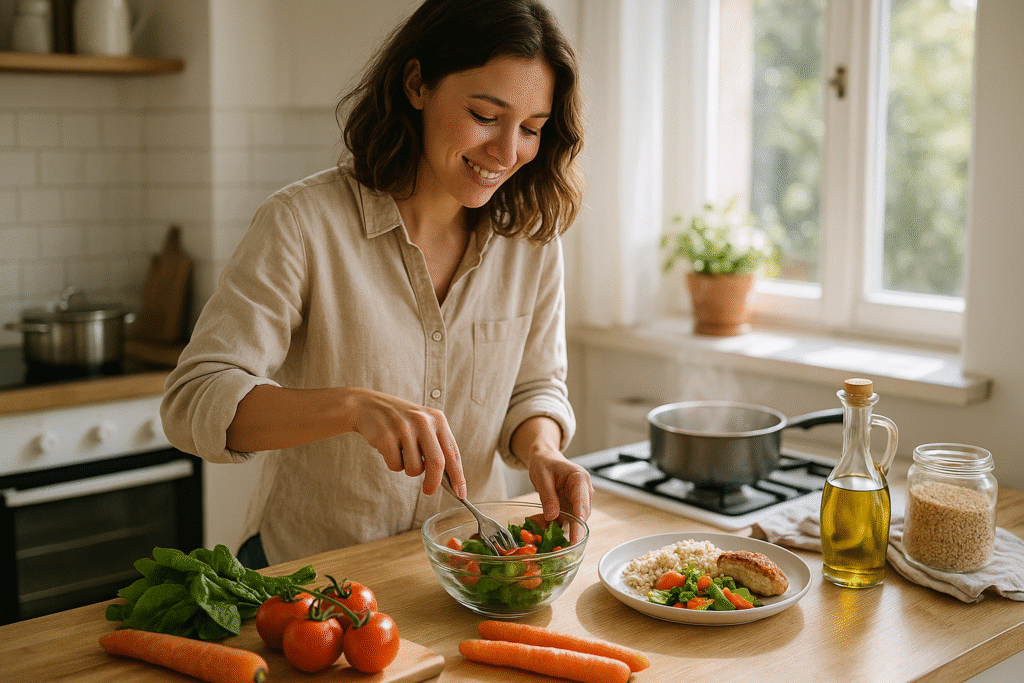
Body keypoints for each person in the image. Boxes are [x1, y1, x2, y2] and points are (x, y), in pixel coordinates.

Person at [161, 0, 592, 569]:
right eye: (486, 116)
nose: (508, 152)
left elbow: (534, 389)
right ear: (417, 84)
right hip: (312, 578)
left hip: (462, 574)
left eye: (532, 129)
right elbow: (193, 399)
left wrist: (541, 449)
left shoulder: (530, 240)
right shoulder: (301, 223)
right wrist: (350, 407)